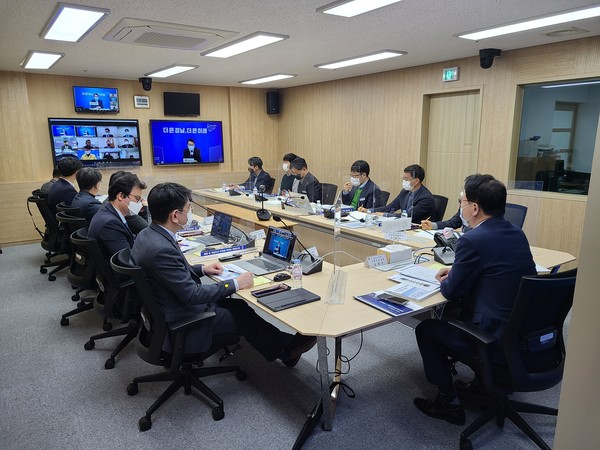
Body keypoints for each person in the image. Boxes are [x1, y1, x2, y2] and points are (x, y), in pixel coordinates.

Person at [130, 182, 316, 366]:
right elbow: (192, 294)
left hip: (168, 307)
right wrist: (236, 283)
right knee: (243, 317)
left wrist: (202, 269)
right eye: (188, 209)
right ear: (175, 216)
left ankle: (285, 345)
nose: (190, 212)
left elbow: (168, 273)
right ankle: (286, 351)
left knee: (241, 306)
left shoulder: (147, 235)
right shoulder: (161, 249)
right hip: (184, 319)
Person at [413, 174, 536, 426]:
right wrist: (459, 272)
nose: (461, 205)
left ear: (475, 208)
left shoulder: (472, 239)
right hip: (522, 329)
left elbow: (450, 291)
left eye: (462, 201)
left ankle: (449, 403)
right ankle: (483, 383)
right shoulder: (516, 233)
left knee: (427, 328)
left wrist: (450, 277)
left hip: (492, 334)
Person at [88, 172, 147, 262]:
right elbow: (126, 261)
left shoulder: (108, 210)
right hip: (122, 273)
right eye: (137, 198)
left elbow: (130, 238)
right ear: (121, 196)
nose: (139, 203)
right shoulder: (110, 223)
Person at [366, 164, 434, 223]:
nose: (404, 181)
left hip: (417, 228)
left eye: (406, 179)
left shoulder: (426, 198)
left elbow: (409, 216)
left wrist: (384, 215)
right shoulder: (405, 192)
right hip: (404, 225)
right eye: (403, 179)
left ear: (416, 181)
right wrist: (369, 210)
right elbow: (390, 207)